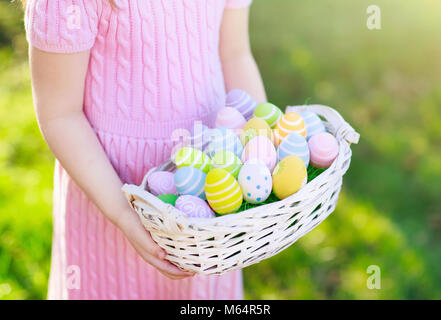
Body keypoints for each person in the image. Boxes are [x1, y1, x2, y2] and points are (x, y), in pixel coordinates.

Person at [24, 0, 266, 299]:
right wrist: (125, 214)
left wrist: (262, 150)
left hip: (211, 180)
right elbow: (60, 114)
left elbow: (234, 55)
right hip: (110, 191)